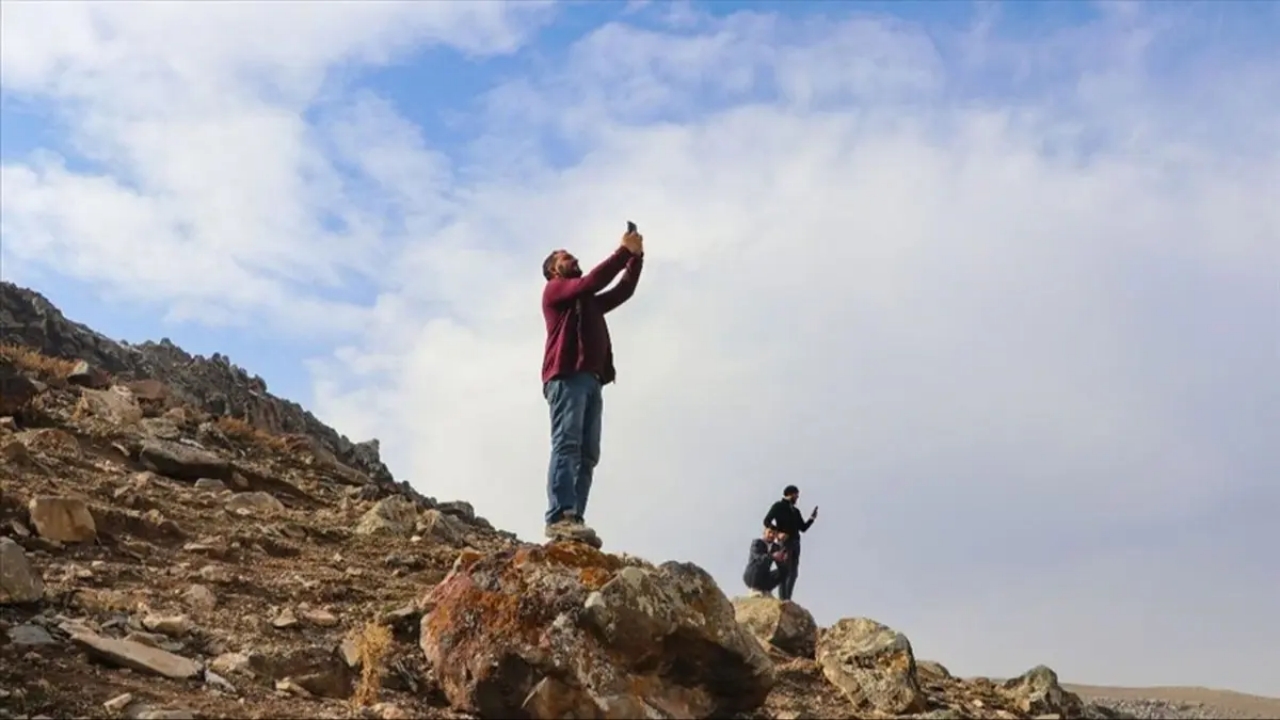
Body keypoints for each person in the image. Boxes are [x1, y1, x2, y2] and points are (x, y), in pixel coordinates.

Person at [540, 228, 645, 543]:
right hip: (566, 376)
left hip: (591, 380)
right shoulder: (555, 291)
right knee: (568, 444)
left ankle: (575, 520)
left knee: (587, 454)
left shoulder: (587, 303)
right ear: (553, 270)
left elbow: (622, 291)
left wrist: (636, 259)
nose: (574, 259)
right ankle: (559, 516)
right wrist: (624, 252)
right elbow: (594, 281)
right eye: (565, 257)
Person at [762, 484, 818, 601]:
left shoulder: (795, 511)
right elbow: (766, 521)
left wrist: (812, 519)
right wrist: (778, 533)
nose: (797, 498)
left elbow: (803, 528)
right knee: (785, 570)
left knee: (794, 573)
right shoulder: (779, 506)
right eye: (796, 495)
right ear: (791, 494)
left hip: (796, 543)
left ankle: (787, 598)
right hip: (785, 543)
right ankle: (783, 599)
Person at [743, 527, 788, 597]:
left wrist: (783, 558)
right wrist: (772, 556)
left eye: (774, 534)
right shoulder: (757, 543)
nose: (771, 535)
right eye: (769, 532)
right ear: (764, 533)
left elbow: (781, 564)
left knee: (785, 570)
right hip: (752, 575)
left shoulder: (775, 547)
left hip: (764, 577)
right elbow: (758, 557)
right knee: (760, 562)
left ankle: (766, 590)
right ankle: (754, 589)